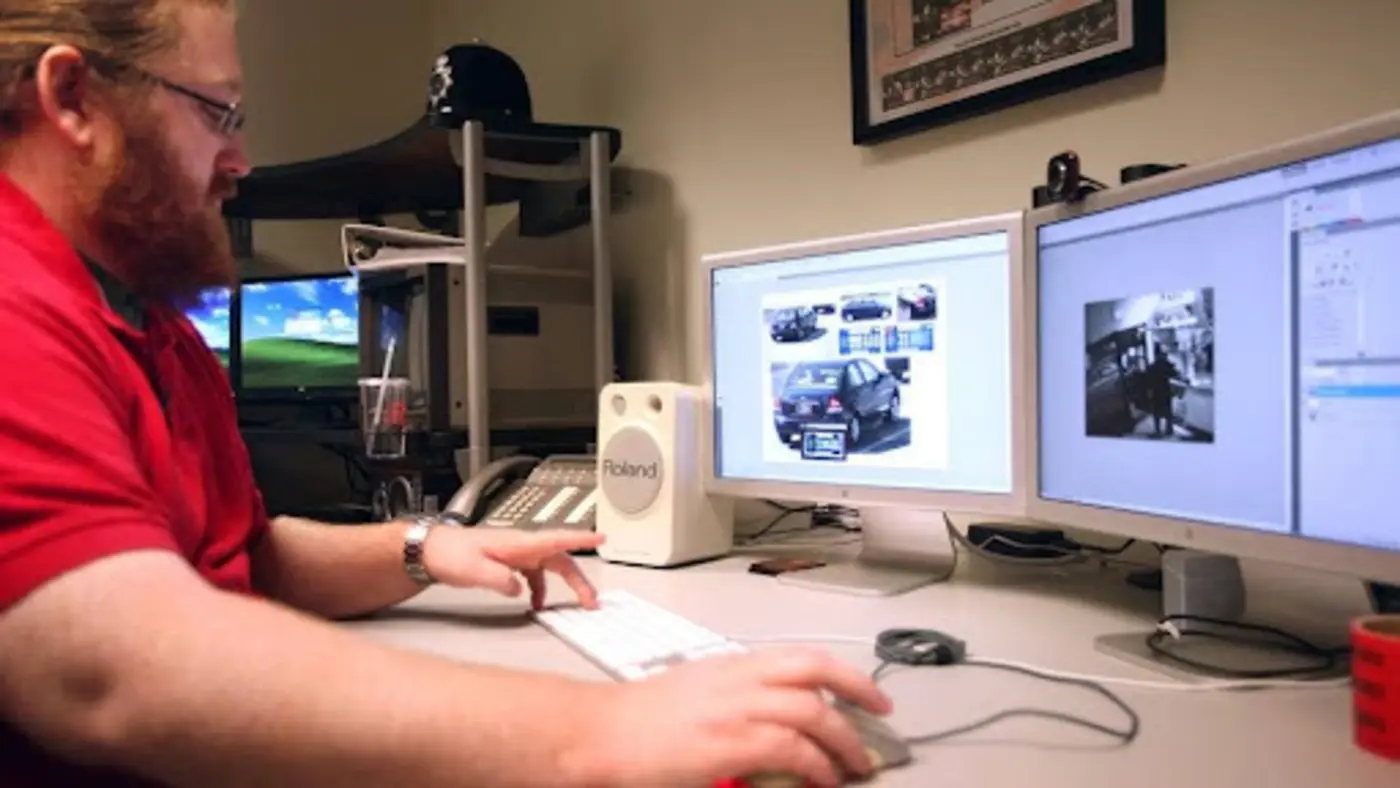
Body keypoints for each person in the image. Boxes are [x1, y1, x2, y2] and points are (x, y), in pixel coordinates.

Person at [0, 2, 893, 787]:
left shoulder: (147, 326)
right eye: (218, 113)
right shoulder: (14, 304)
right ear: (73, 98)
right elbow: (115, 672)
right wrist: (604, 730)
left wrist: (430, 546)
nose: (239, 160)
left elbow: (241, 555)